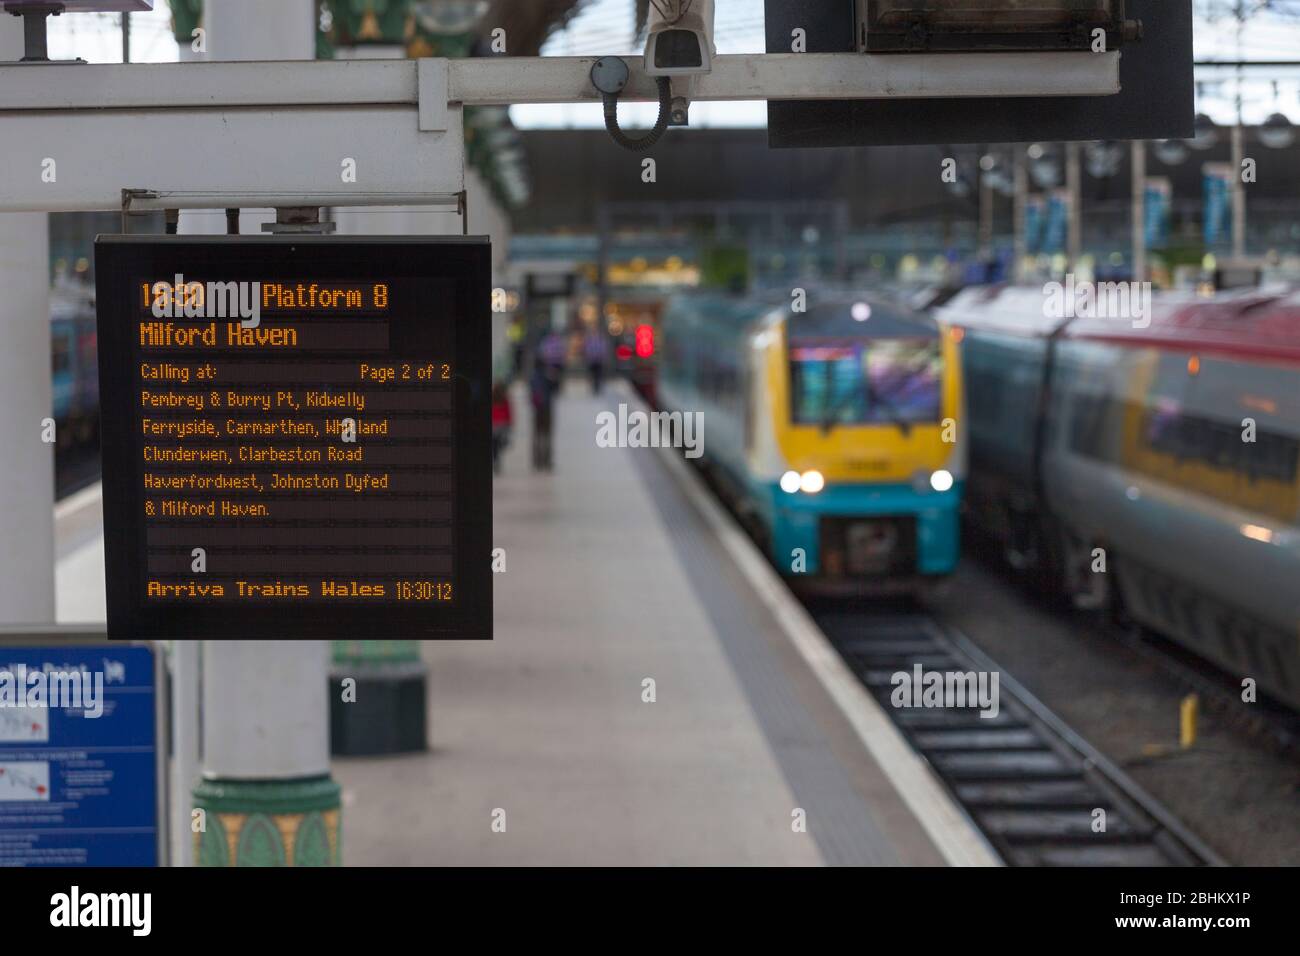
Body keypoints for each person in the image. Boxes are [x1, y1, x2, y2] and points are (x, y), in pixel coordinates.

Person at [530, 361, 557, 472]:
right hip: (546, 408)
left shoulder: (533, 377)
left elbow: (531, 391)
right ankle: (546, 460)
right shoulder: (547, 376)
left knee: (537, 435)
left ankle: (537, 461)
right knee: (546, 435)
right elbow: (555, 388)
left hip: (537, 409)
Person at [490, 383, 512, 475]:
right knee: (498, 445)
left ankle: (495, 460)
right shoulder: (504, 399)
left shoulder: (492, 397)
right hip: (502, 425)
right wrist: (509, 424)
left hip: (494, 424)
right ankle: (497, 460)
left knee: (494, 445)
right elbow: (508, 412)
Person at [582, 328, 610, 395]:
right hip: (592, 360)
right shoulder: (589, 340)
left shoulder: (601, 340)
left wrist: (603, 357)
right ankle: (594, 387)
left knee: (598, 375)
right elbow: (587, 349)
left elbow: (604, 349)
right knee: (593, 375)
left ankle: (597, 387)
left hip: (599, 360)